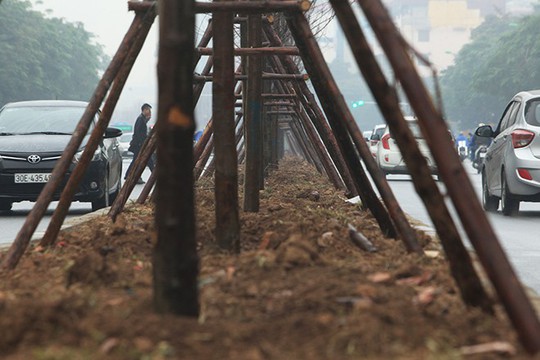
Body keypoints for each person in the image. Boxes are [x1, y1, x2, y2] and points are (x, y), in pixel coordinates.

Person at [125, 103, 155, 184]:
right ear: (144, 110)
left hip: (140, 144)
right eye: (148, 110)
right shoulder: (140, 119)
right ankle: (154, 176)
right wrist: (143, 143)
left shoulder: (142, 119)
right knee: (147, 160)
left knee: (139, 161)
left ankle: (129, 175)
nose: (149, 112)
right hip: (139, 145)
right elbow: (139, 133)